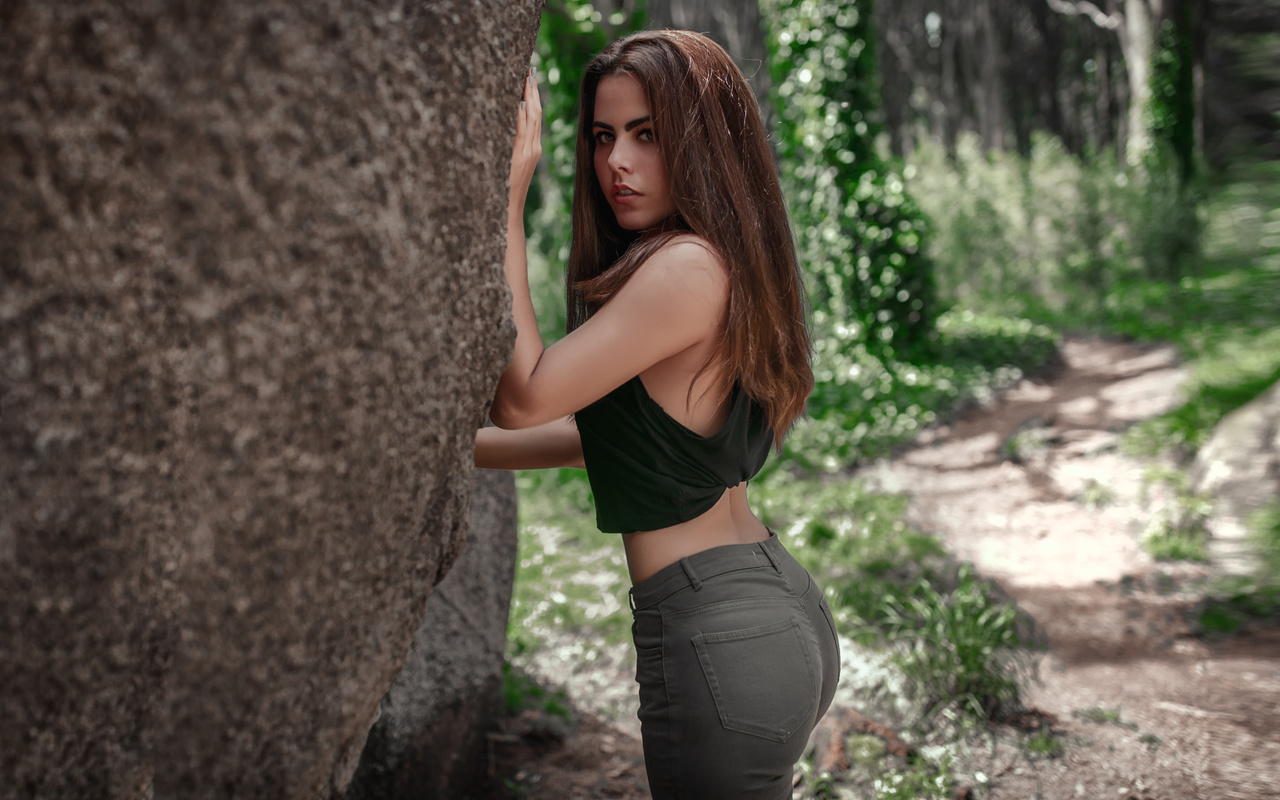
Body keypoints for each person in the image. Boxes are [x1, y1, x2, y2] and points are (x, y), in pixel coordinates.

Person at [475, 30, 839, 800]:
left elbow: (525, 394)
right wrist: (461, 449)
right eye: (604, 137)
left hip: (718, 632)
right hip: (771, 607)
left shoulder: (683, 269)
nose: (617, 164)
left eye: (648, 135)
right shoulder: (717, 259)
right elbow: (611, 439)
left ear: (702, 141)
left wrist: (506, 200)